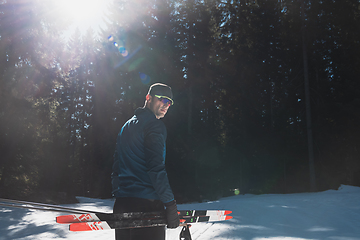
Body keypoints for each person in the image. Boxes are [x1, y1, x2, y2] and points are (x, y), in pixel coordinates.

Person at [111, 83, 180, 240]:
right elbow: (156, 169)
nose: (166, 105)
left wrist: (120, 194)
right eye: (162, 99)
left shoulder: (126, 126)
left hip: (122, 206)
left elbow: (116, 167)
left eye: (169, 102)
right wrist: (170, 204)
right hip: (147, 208)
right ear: (148, 98)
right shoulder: (154, 126)